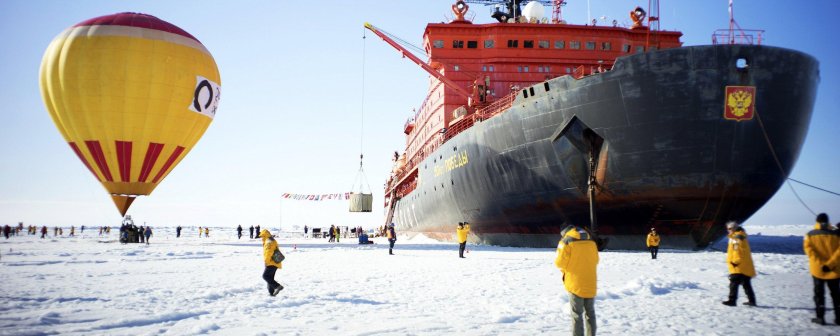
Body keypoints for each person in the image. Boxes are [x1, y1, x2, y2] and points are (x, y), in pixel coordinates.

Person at [554, 224, 599, 336]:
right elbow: (596, 260)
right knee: (590, 313)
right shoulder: (591, 241)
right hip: (590, 283)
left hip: (575, 284)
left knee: (577, 315)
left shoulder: (565, 241)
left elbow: (559, 263)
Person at [803, 213, 840, 325]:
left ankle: (820, 318)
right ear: (828, 221)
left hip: (818, 271)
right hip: (834, 270)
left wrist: (821, 265)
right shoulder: (837, 234)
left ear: (817, 221)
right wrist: (829, 265)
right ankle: (839, 318)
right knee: (836, 295)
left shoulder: (809, 235)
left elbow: (810, 252)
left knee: (819, 295)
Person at [722, 221, 757, 307]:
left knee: (733, 283)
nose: (728, 230)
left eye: (729, 229)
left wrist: (735, 262)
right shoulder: (738, 236)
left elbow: (737, 251)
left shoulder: (736, 238)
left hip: (738, 265)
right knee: (746, 283)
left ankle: (732, 301)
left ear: (733, 229)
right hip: (744, 264)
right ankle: (752, 300)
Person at [259, 229, 284, 296]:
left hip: (271, 262)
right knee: (270, 278)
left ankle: (277, 286)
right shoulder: (270, 240)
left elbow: (268, 252)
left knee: (265, 276)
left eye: (262, 236)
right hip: (274, 262)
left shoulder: (269, 241)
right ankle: (271, 293)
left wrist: (266, 261)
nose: (261, 238)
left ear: (264, 235)